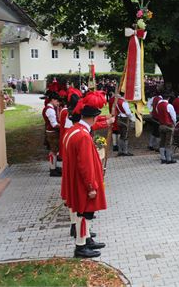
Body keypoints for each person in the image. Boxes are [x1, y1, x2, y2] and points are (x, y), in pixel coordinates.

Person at [62, 92, 107, 258]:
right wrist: (91, 186)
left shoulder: (74, 130)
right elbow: (86, 165)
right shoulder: (83, 137)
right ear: (94, 118)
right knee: (85, 213)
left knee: (82, 212)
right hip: (82, 182)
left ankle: (86, 239)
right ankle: (80, 246)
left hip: (74, 178)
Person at [42, 91, 62, 177]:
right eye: (57, 101)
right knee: (53, 152)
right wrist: (63, 127)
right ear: (53, 100)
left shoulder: (49, 108)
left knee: (54, 151)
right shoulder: (50, 110)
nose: (58, 103)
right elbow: (54, 124)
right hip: (52, 133)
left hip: (51, 132)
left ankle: (54, 167)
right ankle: (52, 170)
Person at [155, 92, 177, 164]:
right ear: (169, 98)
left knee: (162, 142)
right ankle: (169, 158)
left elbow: (157, 112)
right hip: (168, 126)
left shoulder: (158, 105)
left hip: (161, 125)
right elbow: (173, 117)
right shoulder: (169, 106)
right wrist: (174, 123)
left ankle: (162, 158)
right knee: (168, 142)